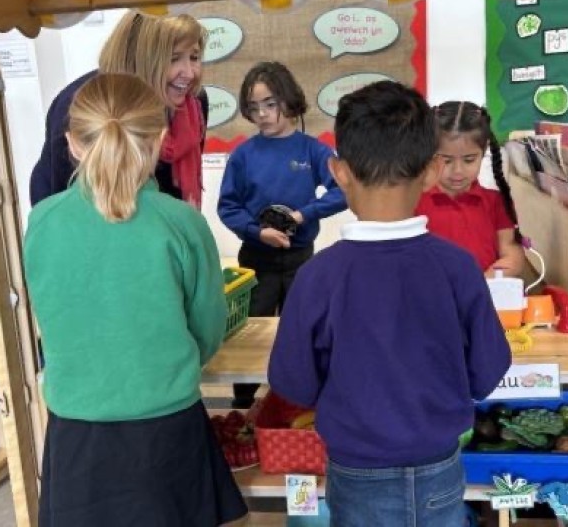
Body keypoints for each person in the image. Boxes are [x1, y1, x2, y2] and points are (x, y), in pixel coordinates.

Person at [267, 81, 512, 526]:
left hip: (355, 472)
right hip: (439, 467)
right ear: (432, 171)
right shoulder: (458, 268)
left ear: (339, 173)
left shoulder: (317, 276)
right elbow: (488, 371)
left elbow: (293, 382)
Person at [24, 73, 247, 527]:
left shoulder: (43, 220)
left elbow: (52, 313)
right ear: (160, 139)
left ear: (72, 144)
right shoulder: (180, 222)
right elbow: (207, 329)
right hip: (167, 424)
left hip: (76, 430)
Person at [217, 61, 347, 409]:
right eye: (253, 106)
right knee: (248, 330)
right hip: (256, 258)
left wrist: (303, 215)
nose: (262, 114)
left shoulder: (313, 151)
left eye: (270, 104)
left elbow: (343, 191)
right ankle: (243, 401)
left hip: (300, 258)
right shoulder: (243, 155)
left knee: (299, 329)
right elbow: (228, 206)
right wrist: (257, 232)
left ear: (288, 101)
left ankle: (295, 400)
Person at [30, 10, 209, 208]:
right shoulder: (80, 103)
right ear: (140, 58)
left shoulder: (195, 103)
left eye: (194, 57)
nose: (190, 73)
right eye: (174, 59)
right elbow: (60, 200)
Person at [415, 101, 526, 278]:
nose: (457, 171)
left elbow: (512, 254)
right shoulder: (413, 200)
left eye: (469, 160)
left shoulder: (496, 202)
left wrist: (481, 283)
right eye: (446, 160)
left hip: (484, 290)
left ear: (483, 152)